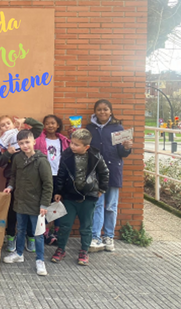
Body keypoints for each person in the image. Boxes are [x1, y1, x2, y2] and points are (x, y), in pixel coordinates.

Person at [51, 129, 109, 266]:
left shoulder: (96, 156)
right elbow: (61, 174)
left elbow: (104, 173)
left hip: (89, 197)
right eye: (72, 143)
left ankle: (84, 251)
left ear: (86, 147)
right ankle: (61, 249)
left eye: (77, 145)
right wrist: (58, 191)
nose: (72, 146)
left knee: (86, 227)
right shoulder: (66, 155)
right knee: (65, 225)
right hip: (70, 197)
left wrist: (102, 189)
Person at [3, 130, 53, 276]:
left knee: (38, 233)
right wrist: (10, 187)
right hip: (20, 201)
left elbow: (48, 184)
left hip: (36, 204)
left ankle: (40, 260)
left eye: (27, 142)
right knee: (21, 230)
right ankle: (19, 254)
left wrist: (44, 205)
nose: (25, 146)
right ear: (18, 144)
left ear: (33, 142)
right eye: (21, 143)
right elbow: (13, 176)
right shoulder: (17, 158)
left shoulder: (41, 161)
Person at [86, 99, 132, 252]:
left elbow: (122, 153)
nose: (102, 112)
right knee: (97, 205)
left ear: (110, 111)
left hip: (113, 171)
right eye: (99, 109)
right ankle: (95, 236)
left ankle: (109, 236)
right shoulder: (89, 128)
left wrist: (126, 148)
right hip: (95, 172)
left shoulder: (118, 128)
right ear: (95, 112)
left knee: (111, 206)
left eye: (105, 109)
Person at [0, 115, 43, 253]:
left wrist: (26, 120)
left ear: (13, 124)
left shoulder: (22, 136)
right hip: (13, 182)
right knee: (12, 212)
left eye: (8, 123)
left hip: (31, 181)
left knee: (30, 210)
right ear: (0, 129)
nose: (6, 127)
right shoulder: (1, 143)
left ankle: (31, 237)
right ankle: (11, 237)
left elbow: (39, 127)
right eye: (2, 125)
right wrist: (8, 154)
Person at [34, 114, 71, 245]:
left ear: (58, 125)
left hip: (60, 176)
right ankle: (45, 232)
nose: (50, 125)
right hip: (45, 176)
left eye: (53, 123)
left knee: (58, 204)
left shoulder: (63, 140)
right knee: (46, 203)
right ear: (44, 126)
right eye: (47, 123)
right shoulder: (39, 140)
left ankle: (57, 232)